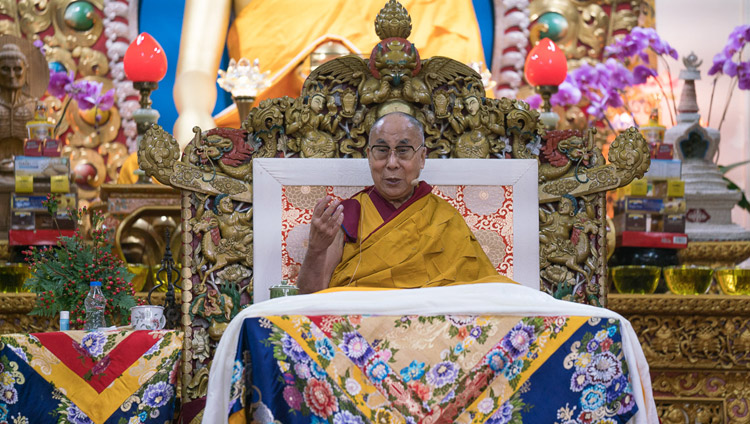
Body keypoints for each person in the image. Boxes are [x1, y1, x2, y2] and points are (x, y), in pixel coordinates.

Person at [173, 0, 488, 148]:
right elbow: (196, 71)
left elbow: (463, 79)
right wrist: (192, 117)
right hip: (272, 137)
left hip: (416, 137)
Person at [296, 112, 509, 293]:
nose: (391, 163)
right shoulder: (347, 216)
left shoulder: (444, 217)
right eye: (381, 151)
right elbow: (311, 297)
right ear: (369, 156)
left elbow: (479, 291)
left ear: (423, 157)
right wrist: (316, 248)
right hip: (357, 332)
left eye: (403, 151)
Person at [0, 43, 36, 163]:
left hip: (27, 171)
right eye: (5, 69)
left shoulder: (36, 107)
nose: (11, 75)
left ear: (26, 71)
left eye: (17, 69)